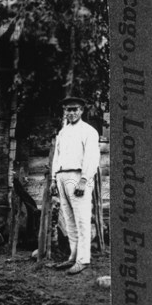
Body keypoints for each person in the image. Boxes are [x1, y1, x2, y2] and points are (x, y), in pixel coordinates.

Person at [50, 96, 100, 275]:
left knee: (82, 219)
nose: (71, 113)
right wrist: (54, 180)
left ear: (82, 110)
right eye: (68, 110)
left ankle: (83, 259)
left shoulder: (89, 131)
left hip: (78, 176)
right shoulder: (63, 132)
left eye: (75, 109)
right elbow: (57, 156)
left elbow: (92, 158)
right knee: (69, 219)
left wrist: (84, 180)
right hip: (62, 176)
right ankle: (73, 256)